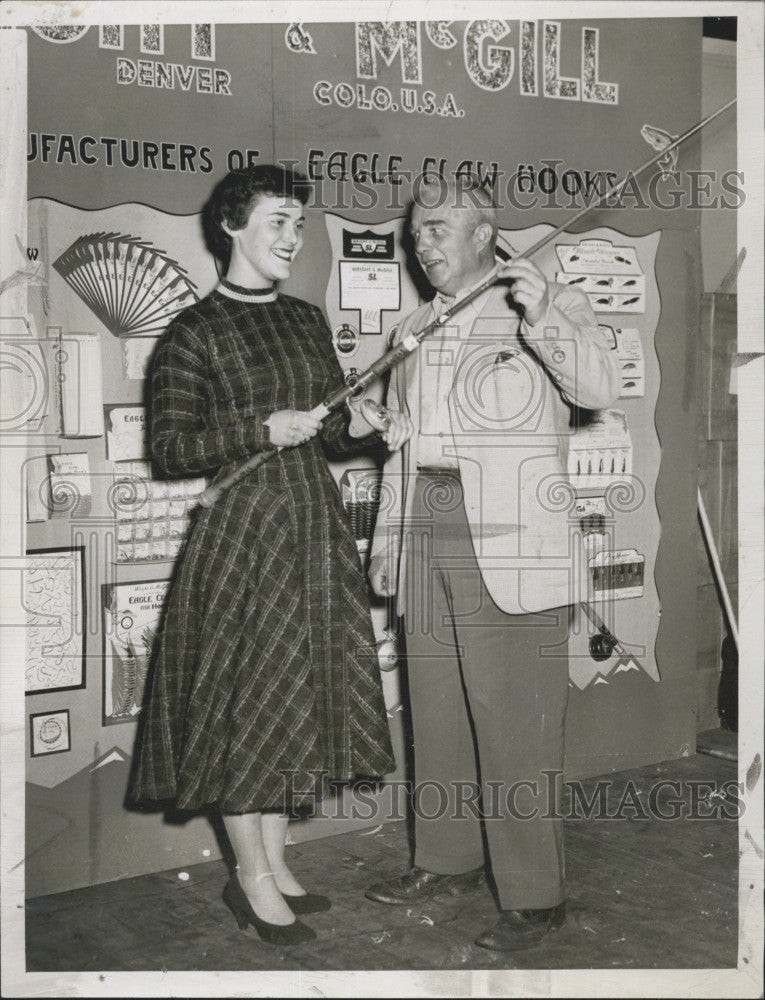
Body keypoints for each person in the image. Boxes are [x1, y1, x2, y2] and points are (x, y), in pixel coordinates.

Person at [128, 164, 412, 946]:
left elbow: (327, 428)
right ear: (232, 226)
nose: (293, 237)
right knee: (247, 705)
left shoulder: (303, 320)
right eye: (279, 222)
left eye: (298, 223)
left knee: (294, 699)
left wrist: (366, 424)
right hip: (244, 537)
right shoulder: (194, 332)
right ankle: (249, 877)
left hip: (311, 530)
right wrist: (260, 430)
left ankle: (277, 862)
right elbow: (171, 447)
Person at [364, 176, 621, 950]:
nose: (421, 241)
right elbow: (400, 448)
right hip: (425, 527)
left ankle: (534, 898)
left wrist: (545, 312)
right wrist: (385, 540)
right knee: (436, 712)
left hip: (511, 539)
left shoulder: (542, 300)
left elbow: (597, 386)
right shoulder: (412, 324)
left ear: (483, 233)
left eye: (438, 227)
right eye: (416, 230)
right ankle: (446, 859)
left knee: (514, 727)